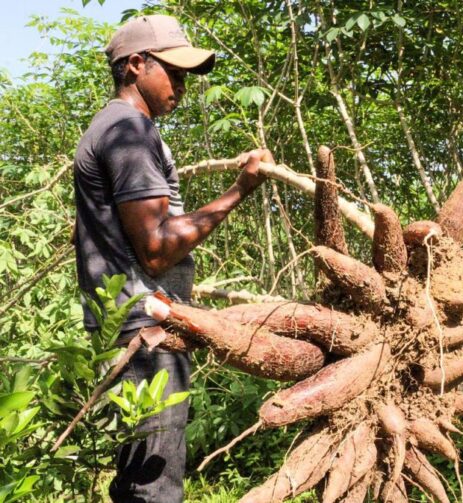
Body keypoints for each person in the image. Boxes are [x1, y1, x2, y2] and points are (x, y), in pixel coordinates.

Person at [72, 14, 270, 502]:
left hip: (135, 329)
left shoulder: (116, 126)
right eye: (174, 72)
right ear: (136, 65)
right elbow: (157, 251)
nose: (181, 86)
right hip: (147, 333)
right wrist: (238, 191)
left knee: (137, 477)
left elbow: (93, 229)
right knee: (154, 487)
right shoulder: (128, 131)